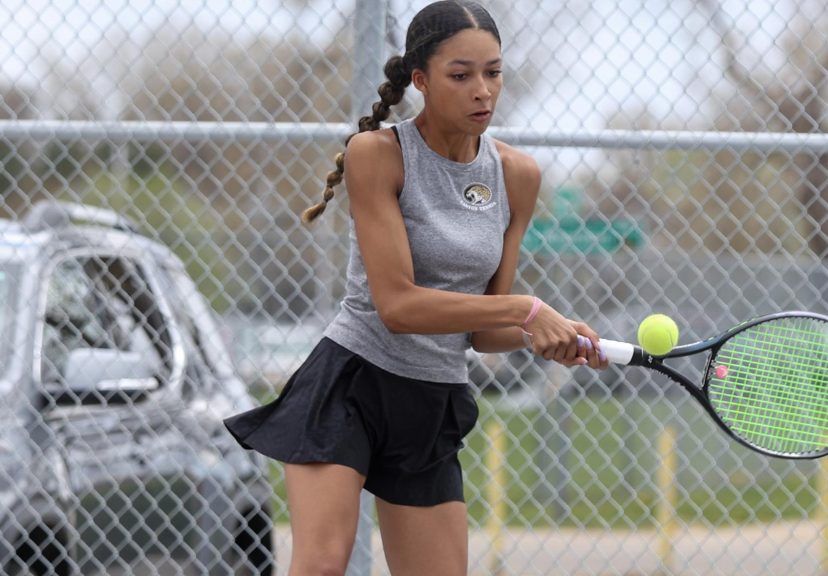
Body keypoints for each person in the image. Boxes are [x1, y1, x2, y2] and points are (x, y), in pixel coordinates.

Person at [224, 1, 608, 575]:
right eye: (461, 75)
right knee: (323, 565)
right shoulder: (377, 156)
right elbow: (398, 307)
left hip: (431, 400)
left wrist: (545, 336)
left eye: (493, 72)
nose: (483, 90)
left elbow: (481, 330)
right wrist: (528, 309)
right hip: (353, 383)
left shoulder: (518, 176)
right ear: (421, 80)